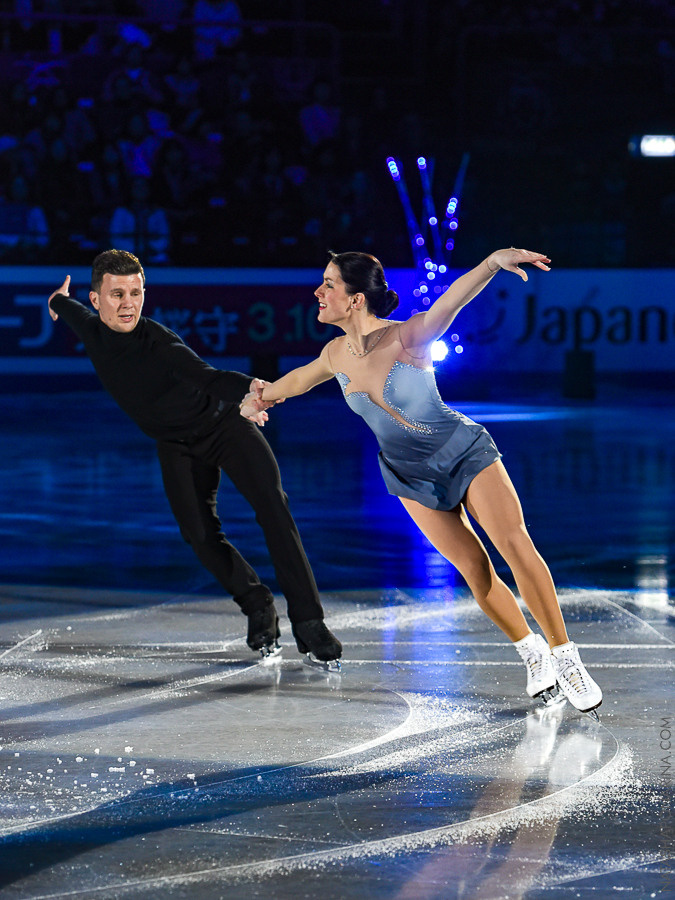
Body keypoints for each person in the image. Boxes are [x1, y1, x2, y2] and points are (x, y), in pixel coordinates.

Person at [253, 247, 602, 714]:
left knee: (514, 546)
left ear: (356, 299)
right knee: (476, 571)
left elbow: (451, 302)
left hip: (462, 453)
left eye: (329, 284)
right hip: (408, 475)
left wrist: (493, 263)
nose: (319, 292)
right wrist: (260, 398)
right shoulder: (335, 353)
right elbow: (297, 381)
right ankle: (531, 652)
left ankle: (565, 657)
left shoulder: (408, 337)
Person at [47, 248, 341, 664]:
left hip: (225, 426)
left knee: (274, 510)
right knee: (199, 535)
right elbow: (65, 307)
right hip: (176, 445)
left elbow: (208, 376)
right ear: (96, 300)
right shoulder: (91, 327)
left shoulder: (159, 342)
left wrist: (253, 391)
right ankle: (257, 603)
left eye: (135, 292)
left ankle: (310, 622)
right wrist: (57, 302)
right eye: (116, 295)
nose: (128, 303)